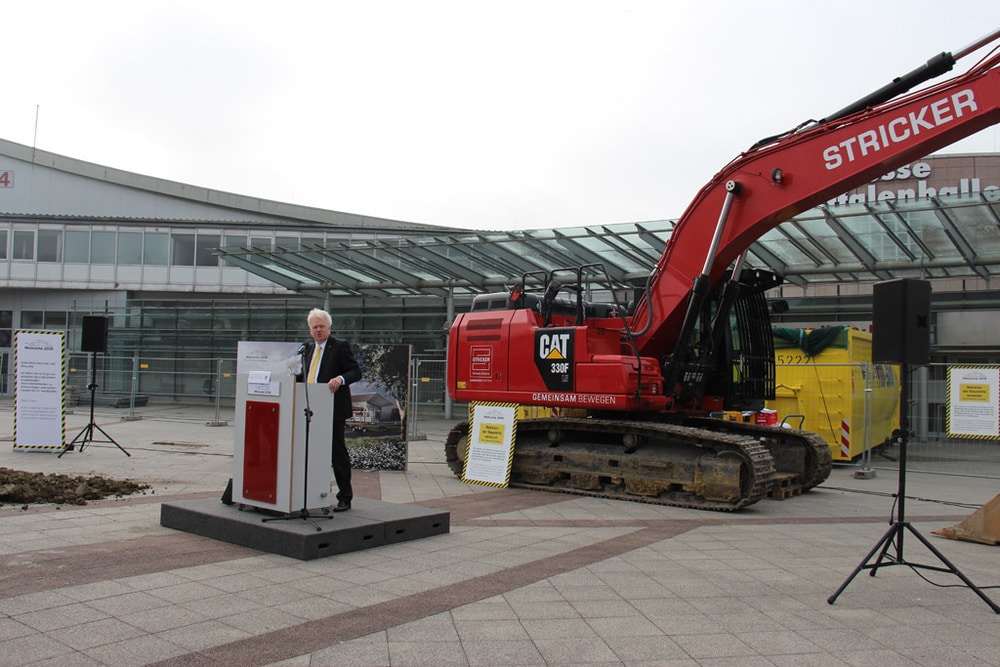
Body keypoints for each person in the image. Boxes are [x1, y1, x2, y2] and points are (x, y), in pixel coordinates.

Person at [297, 308, 362, 512]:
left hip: (333, 409)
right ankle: (313, 493)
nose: (318, 330)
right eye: (314, 327)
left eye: (321, 327)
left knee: (337, 453)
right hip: (309, 409)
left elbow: (355, 371)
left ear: (329, 328)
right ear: (309, 330)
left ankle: (345, 496)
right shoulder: (307, 350)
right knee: (309, 453)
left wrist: (340, 379)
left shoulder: (339, 347)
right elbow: (305, 376)